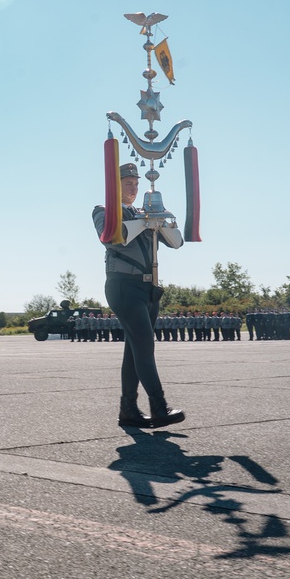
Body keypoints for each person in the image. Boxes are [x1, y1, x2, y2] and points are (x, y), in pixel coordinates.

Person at [92, 163, 186, 429]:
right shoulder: (104, 210)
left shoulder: (145, 213)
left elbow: (177, 242)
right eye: (128, 183)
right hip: (123, 285)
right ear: (116, 186)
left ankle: (129, 410)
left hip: (148, 289)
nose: (134, 188)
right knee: (144, 347)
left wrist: (160, 220)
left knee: (134, 351)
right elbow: (111, 237)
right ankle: (159, 406)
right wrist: (143, 222)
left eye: (136, 184)